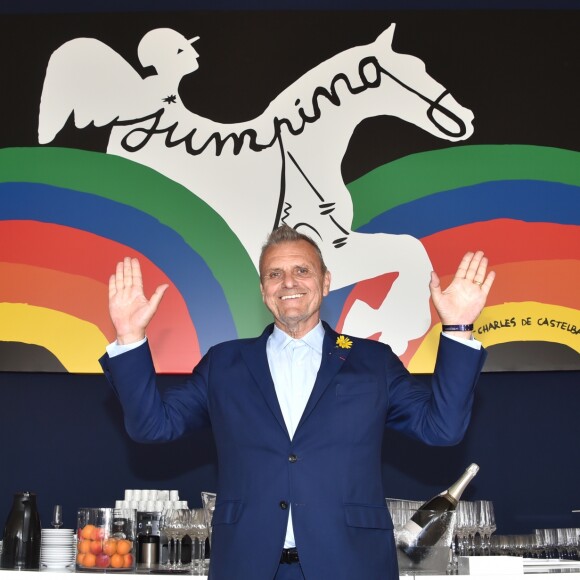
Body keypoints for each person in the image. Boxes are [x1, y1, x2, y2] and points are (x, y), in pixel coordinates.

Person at [100, 225, 495, 580]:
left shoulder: (372, 361)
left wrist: (458, 328)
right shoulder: (224, 363)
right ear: (262, 290)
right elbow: (152, 426)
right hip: (248, 565)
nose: (288, 282)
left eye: (302, 271)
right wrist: (130, 337)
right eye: (275, 274)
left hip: (351, 565)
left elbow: (443, 429)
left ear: (325, 282)